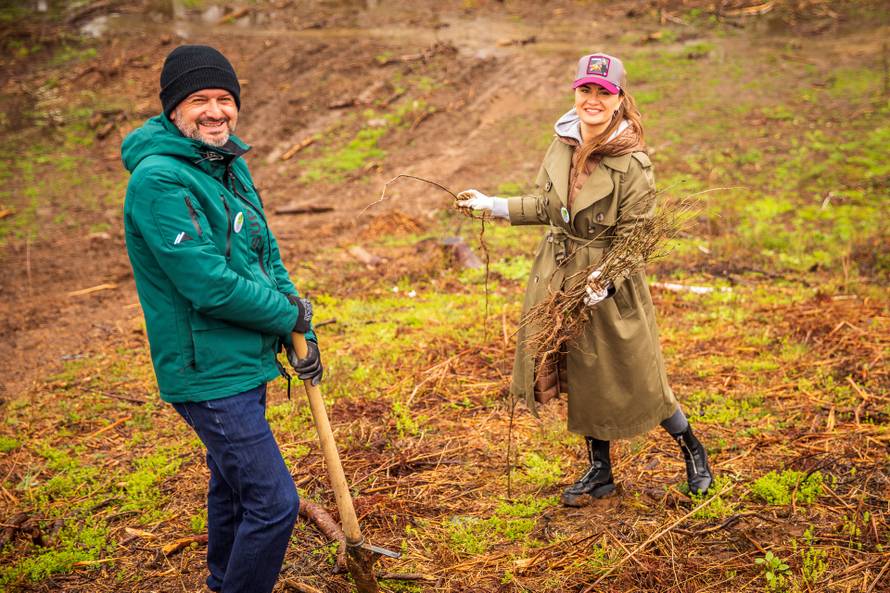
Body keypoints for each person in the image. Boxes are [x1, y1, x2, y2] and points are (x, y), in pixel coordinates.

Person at [458, 53, 713, 506]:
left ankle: (693, 449)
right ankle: (600, 471)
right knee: (582, 372)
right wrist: (491, 204)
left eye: (603, 92)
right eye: (585, 90)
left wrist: (607, 278)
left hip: (609, 284)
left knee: (640, 377)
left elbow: (636, 235)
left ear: (618, 99)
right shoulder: (562, 143)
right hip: (560, 275)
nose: (592, 100)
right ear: (575, 93)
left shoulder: (633, 163)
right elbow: (545, 205)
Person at [121, 45, 322, 592]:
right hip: (206, 370)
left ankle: (220, 581)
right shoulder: (160, 181)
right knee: (274, 504)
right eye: (199, 100)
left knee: (232, 487)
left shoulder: (225, 161)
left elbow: (263, 253)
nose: (215, 111)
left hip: (241, 358)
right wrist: (287, 314)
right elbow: (207, 284)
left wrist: (296, 321)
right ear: (172, 110)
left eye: (225, 99)